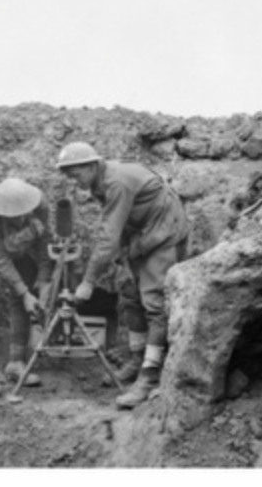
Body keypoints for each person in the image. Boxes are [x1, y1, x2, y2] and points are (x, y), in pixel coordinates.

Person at [56, 142, 189, 408]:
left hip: (164, 231)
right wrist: (124, 255)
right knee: (128, 291)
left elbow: (108, 238)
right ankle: (137, 358)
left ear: (92, 165)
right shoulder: (99, 182)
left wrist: (88, 281)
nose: (74, 181)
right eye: (69, 175)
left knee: (153, 301)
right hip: (139, 232)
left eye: (76, 174)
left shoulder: (116, 182)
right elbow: (118, 226)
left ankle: (149, 375)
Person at [0, 177, 52, 386]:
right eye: (11, 217)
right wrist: (24, 292)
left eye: (21, 215)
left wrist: (43, 279)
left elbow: (45, 242)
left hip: (26, 249)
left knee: (21, 298)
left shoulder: (40, 204)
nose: (17, 220)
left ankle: (16, 362)